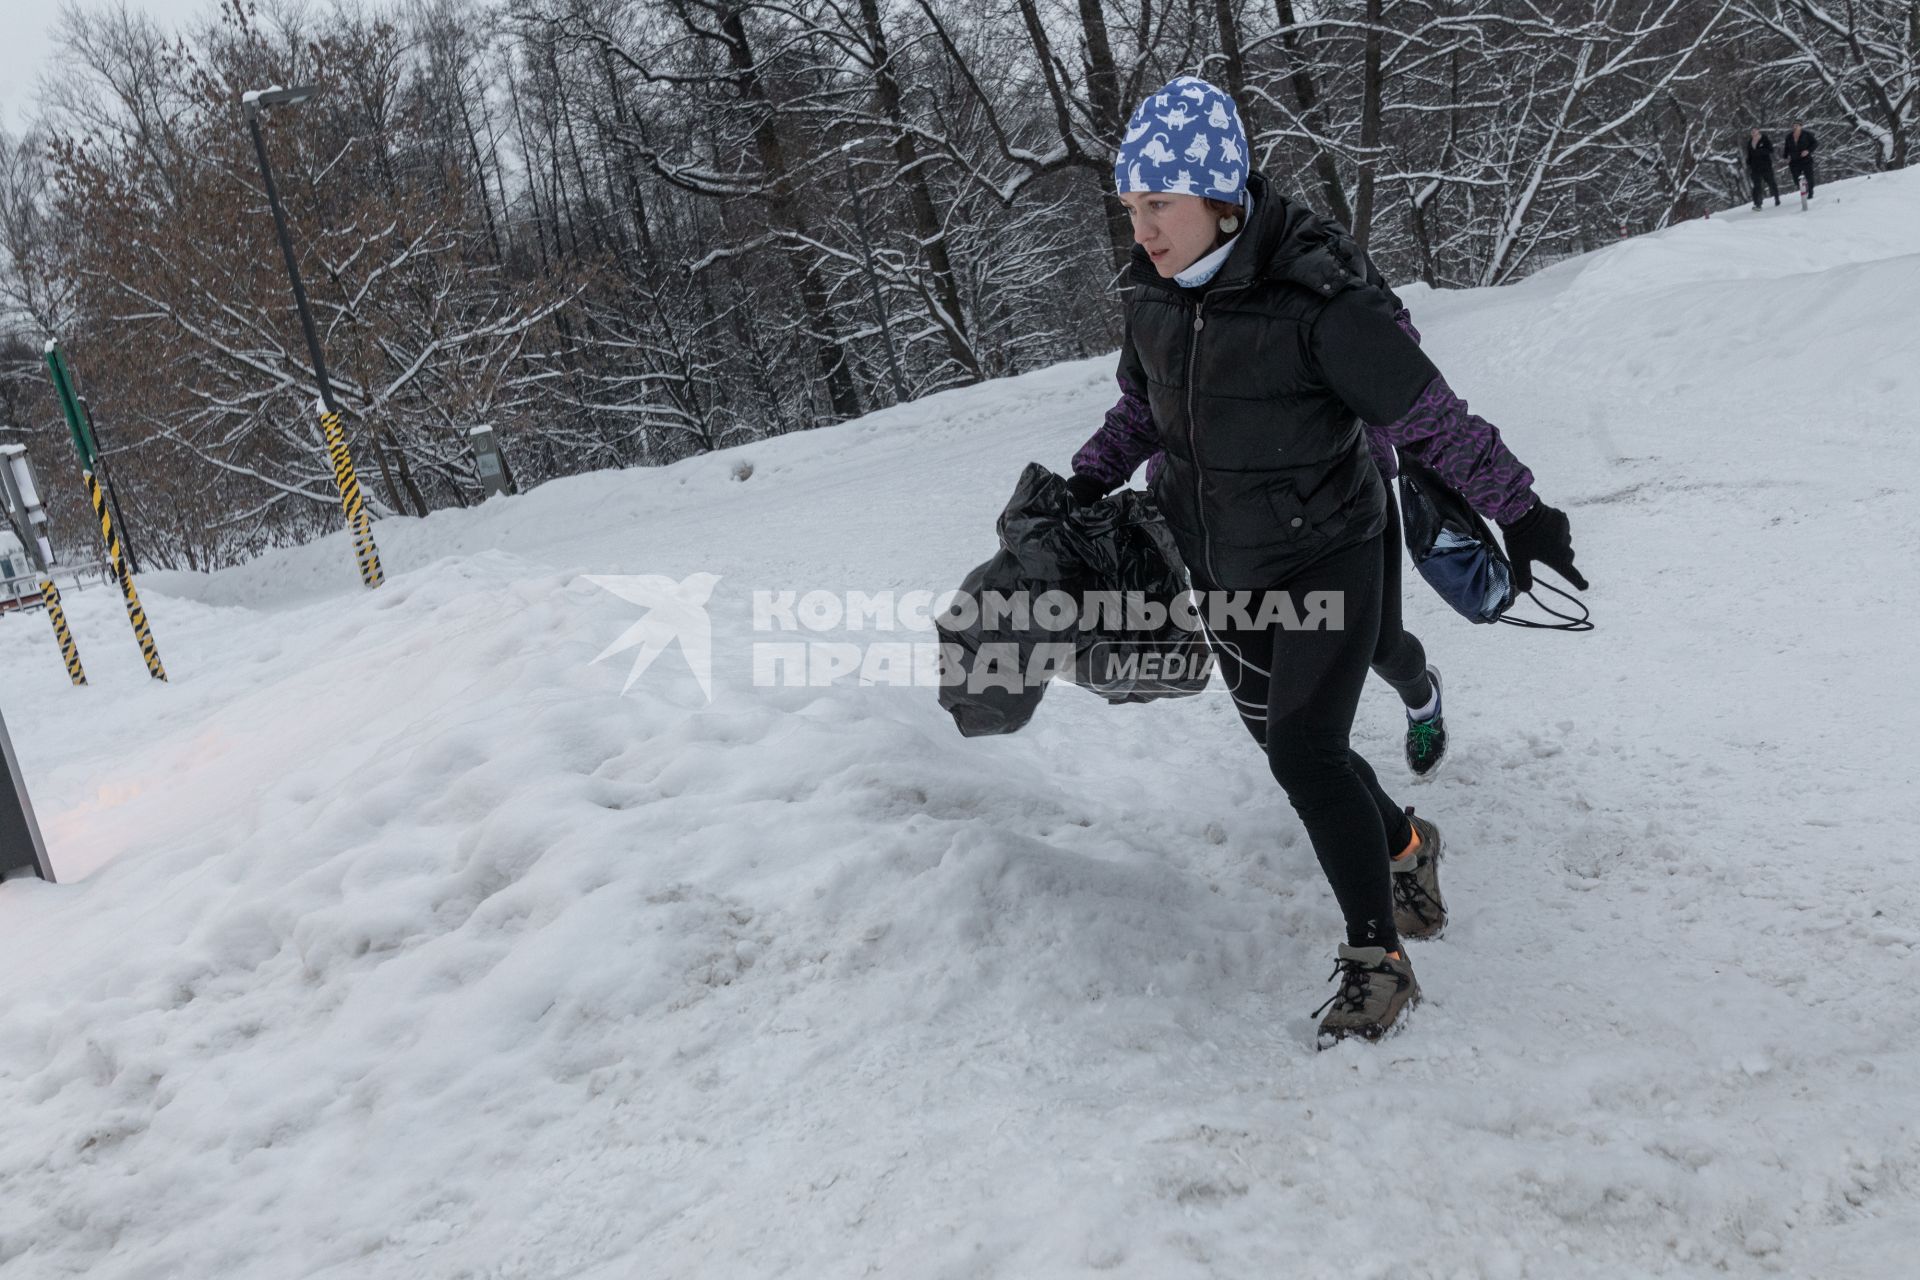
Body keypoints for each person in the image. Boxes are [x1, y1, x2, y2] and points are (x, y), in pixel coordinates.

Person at [1065, 76, 1586, 1043]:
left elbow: (1431, 418)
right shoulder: (1150, 297)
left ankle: (1376, 956)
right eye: (1131, 208)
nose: (1141, 230)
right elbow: (1144, 411)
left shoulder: (1317, 298)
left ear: (1221, 198)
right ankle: (1405, 841)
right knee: (1293, 750)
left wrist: (1524, 512)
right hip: (1220, 563)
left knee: (1305, 750)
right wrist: (1086, 480)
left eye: (1159, 206)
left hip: (1329, 552)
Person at [1746, 129, 1780, 210]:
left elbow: (1770, 150)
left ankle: (1777, 198)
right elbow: (1749, 154)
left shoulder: (1764, 139)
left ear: (1758, 132)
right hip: (1755, 167)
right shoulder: (1750, 142)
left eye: (1755, 132)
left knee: (1771, 182)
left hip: (1766, 166)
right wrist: (1748, 161)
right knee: (1757, 186)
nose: (1753, 133)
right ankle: (1757, 204)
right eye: (1752, 132)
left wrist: (1760, 151)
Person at [1785, 123, 1818, 198]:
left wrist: (1808, 151)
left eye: (1797, 125)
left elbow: (1815, 143)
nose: (1795, 127)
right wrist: (1786, 157)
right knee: (1796, 180)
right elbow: (1786, 148)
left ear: (1801, 126)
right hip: (1794, 161)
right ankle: (1804, 188)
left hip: (1806, 159)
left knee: (1809, 177)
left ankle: (1810, 191)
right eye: (1794, 125)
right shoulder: (1789, 137)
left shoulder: (1806, 134)